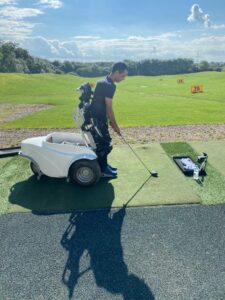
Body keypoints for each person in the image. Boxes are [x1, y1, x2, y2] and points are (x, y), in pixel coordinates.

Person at [89, 62, 128, 178]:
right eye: (123, 76)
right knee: (104, 144)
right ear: (116, 72)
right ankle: (102, 170)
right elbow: (108, 106)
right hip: (97, 120)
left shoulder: (103, 81)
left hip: (97, 118)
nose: (123, 79)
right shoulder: (110, 85)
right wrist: (115, 125)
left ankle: (104, 165)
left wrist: (110, 121)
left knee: (103, 142)